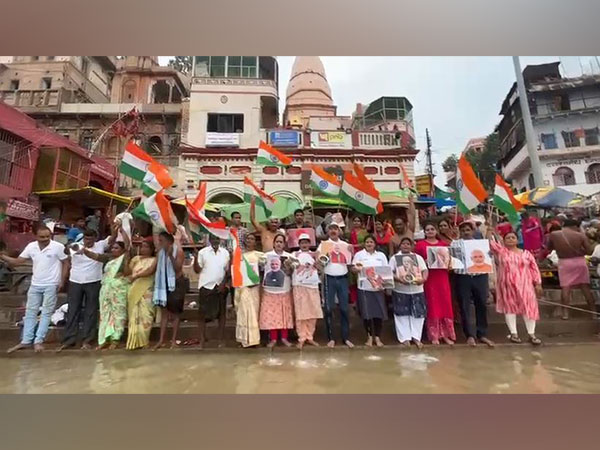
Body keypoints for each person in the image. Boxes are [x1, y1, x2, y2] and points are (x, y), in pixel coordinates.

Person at [2, 226, 69, 353]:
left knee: (46, 313)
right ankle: (26, 341)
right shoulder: (31, 246)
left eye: (47, 236)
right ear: (36, 236)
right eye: (42, 237)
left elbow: (66, 262)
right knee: (30, 313)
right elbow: (18, 262)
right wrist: (3, 256)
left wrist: (62, 280)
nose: (45, 239)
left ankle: (38, 341)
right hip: (35, 284)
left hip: (51, 283)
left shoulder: (58, 247)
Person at [57, 226, 117, 352]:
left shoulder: (101, 245)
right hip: (75, 281)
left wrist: (114, 225)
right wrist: (72, 248)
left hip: (94, 281)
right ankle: (69, 340)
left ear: (95, 239)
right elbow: (66, 251)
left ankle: (87, 340)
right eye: (86, 238)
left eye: (90, 239)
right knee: (73, 310)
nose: (87, 241)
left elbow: (113, 237)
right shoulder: (77, 245)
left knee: (91, 311)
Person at [488, 228, 543, 345]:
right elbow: (490, 244)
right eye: (507, 238)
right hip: (507, 285)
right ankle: (514, 333)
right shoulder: (502, 252)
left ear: (517, 240)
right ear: (503, 241)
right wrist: (489, 232)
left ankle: (531, 334)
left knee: (529, 307)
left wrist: (537, 283)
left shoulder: (526, 254)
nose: (510, 240)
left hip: (525, 285)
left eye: (513, 237)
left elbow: (534, 268)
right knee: (510, 308)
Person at [452, 221, 494, 347]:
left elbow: (488, 255)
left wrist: (489, 253)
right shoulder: (455, 243)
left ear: (472, 231)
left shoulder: (480, 243)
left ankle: (482, 334)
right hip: (463, 277)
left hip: (480, 276)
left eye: (468, 229)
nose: (466, 232)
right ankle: (469, 335)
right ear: (460, 232)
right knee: (464, 306)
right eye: (463, 230)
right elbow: (452, 259)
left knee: (481, 304)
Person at [415, 222, 456, 345]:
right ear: (424, 232)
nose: (430, 231)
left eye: (432, 229)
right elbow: (416, 262)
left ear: (436, 231)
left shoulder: (444, 245)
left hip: (442, 277)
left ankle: (446, 335)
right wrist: (425, 262)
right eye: (427, 229)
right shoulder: (420, 245)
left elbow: (450, 262)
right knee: (433, 305)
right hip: (430, 278)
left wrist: (449, 265)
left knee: (445, 304)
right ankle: (434, 335)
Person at [546, 218, 594, 320]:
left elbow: (549, 248)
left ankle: (565, 313)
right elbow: (589, 251)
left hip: (564, 262)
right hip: (579, 262)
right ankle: (593, 312)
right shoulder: (580, 235)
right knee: (585, 286)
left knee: (566, 287)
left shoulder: (554, 235)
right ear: (576, 226)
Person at [317, 222, 354, 348]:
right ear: (327, 232)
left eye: (335, 229)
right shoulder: (324, 245)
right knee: (328, 308)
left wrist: (351, 252)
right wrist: (320, 258)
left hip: (343, 277)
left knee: (344, 308)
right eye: (331, 229)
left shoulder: (345, 245)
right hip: (329, 278)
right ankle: (331, 338)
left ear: (339, 231)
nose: (333, 231)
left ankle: (346, 337)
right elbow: (319, 261)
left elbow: (350, 262)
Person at [389, 237, 427, 348]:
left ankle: (416, 337)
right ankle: (404, 338)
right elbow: (389, 272)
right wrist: (398, 279)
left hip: (417, 289)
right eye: (403, 243)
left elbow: (425, 270)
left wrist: (423, 279)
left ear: (411, 246)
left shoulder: (417, 258)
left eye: (408, 244)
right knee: (401, 314)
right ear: (399, 245)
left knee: (418, 314)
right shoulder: (394, 258)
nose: (405, 246)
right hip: (400, 289)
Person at [92, 240, 131, 350]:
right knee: (105, 314)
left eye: (117, 248)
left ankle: (115, 339)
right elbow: (94, 256)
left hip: (119, 289)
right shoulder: (109, 259)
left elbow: (127, 273)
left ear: (123, 250)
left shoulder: (124, 259)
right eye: (112, 248)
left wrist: (126, 260)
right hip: (106, 288)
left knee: (118, 314)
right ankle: (104, 339)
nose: (113, 250)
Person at [352, 235, 388, 347]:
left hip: (378, 288)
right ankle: (369, 337)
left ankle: (377, 337)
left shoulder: (381, 255)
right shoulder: (359, 255)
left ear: (375, 244)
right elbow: (353, 269)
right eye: (367, 242)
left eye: (371, 242)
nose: (369, 244)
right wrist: (356, 269)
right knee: (366, 314)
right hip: (364, 288)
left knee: (378, 313)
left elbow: (386, 271)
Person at [194, 233, 229, 348]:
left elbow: (227, 271)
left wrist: (224, 284)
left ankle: (221, 339)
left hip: (220, 286)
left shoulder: (225, 253)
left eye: (217, 238)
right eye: (213, 238)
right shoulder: (202, 252)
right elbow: (197, 270)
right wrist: (195, 258)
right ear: (209, 239)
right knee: (202, 315)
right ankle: (202, 340)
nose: (215, 240)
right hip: (206, 286)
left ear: (220, 239)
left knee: (222, 314)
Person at [259, 233, 294, 347]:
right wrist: (261, 264)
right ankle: (273, 338)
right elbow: (261, 269)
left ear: (284, 244)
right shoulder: (266, 255)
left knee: (284, 315)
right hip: (270, 290)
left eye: (281, 242)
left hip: (284, 289)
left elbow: (290, 273)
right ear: (273, 244)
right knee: (272, 315)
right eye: (277, 242)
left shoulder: (289, 256)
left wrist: (289, 267)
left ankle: (284, 338)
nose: (279, 244)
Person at [154, 231, 186, 349]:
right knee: (164, 313)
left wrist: (170, 256)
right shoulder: (160, 253)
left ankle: (173, 340)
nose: (159, 243)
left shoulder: (178, 251)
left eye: (162, 241)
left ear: (169, 241)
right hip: (163, 284)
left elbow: (177, 268)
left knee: (176, 313)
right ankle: (161, 340)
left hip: (176, 283)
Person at [124, 240, 157, 350]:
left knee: (146, 316)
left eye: (146, 247)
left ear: (152, 249)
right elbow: (127, 272)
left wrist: (136, 276)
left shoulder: (155, 260)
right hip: (134, 290)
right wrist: (127, 258)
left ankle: (144, 341)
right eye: (142, 246)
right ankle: (133, 342)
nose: (144, 249)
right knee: (134, 316)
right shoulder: (135, 259)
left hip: (147, 291)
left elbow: (149, 271)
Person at [292, 233, 323, 348]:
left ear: (310, 243)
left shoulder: (315, 255)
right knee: (301, 312)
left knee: (312, 312)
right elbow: (290, 267)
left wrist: (318, 263)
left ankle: (310, 336)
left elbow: (320, 268)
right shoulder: (294, 254)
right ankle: (301, 337)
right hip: (299, 285)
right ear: (299, 244)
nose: (304, 245)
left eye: (306, 242)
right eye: (302, 242)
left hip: (312, 285)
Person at [234, 233, 263, 348]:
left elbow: (264, 269)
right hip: (242, 287)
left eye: (252, 239)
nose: (250, 240)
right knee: (243, 312)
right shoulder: (239, 255)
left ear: (255, 242)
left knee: (253, 312)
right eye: (248, 239)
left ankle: (254, 340)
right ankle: (244, 340)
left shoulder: (259, 255)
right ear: (244, 241)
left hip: (254, 287)